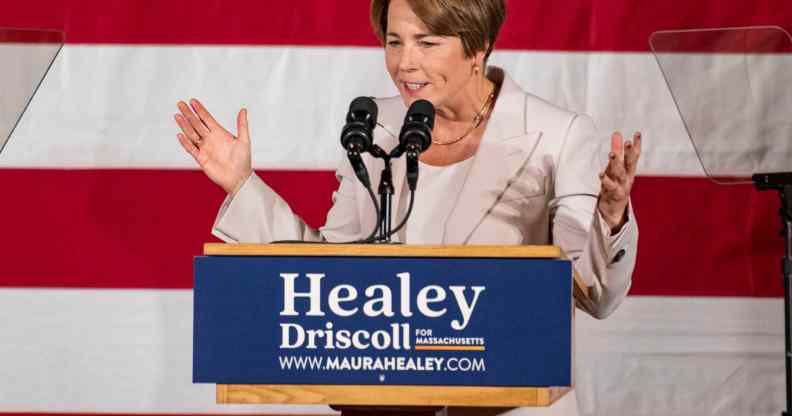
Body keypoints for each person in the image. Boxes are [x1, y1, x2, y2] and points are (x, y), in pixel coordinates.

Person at [174, 0, 640, 414]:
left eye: (427, 42)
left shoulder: (557, 134)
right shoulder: (375, 126)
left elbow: (594, 295)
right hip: (383, 409)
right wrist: (242, 183)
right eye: (394, 41)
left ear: (478, 48)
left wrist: (611, 218)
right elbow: (330, 272)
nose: (404, 62)